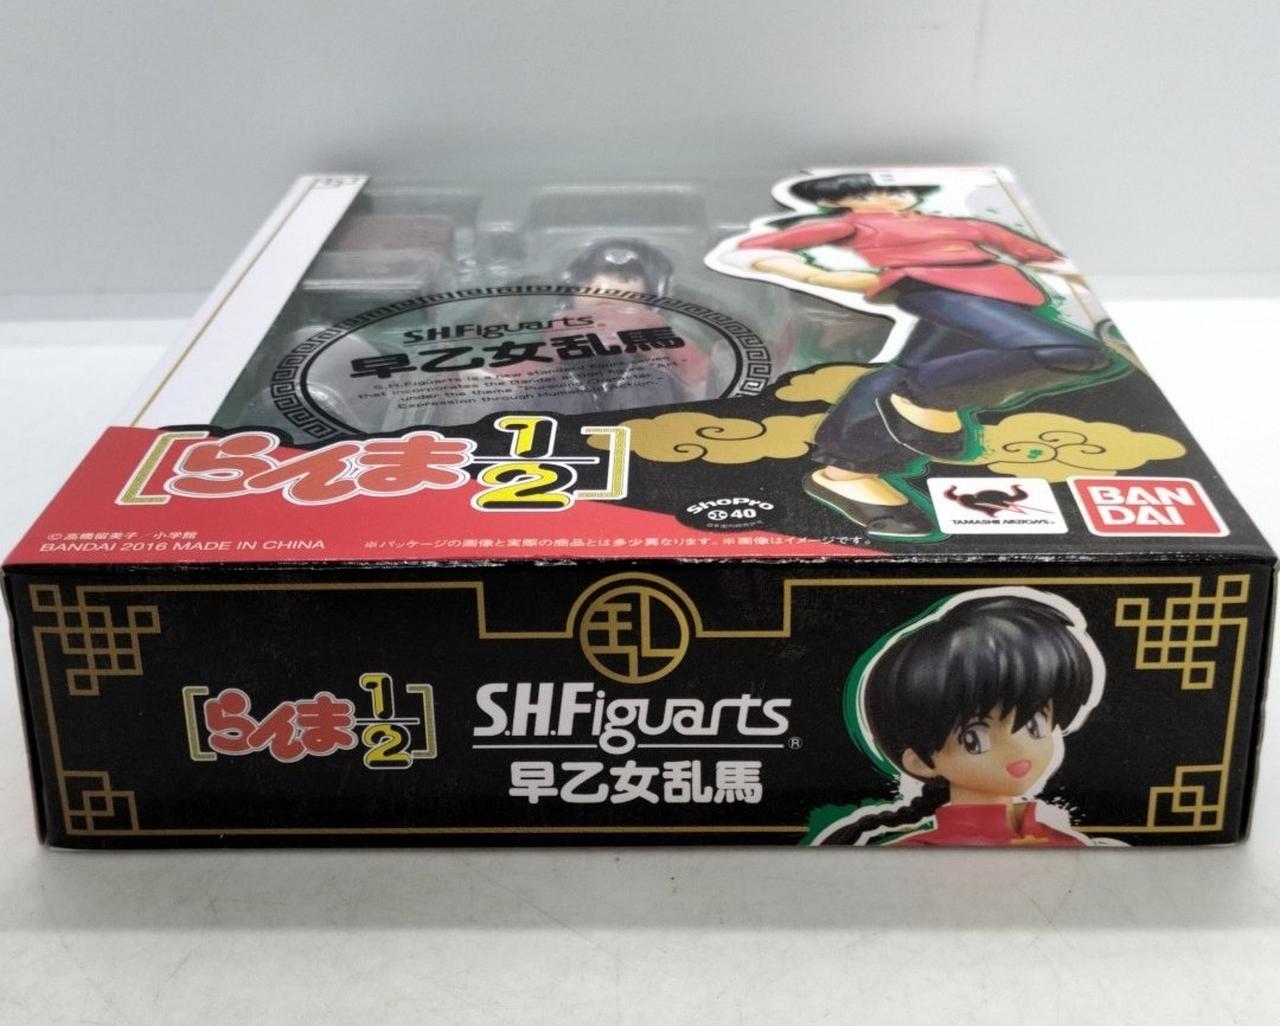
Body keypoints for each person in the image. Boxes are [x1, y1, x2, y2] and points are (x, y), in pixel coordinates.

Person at [731, 172, 1122, 537]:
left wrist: (1068, 271)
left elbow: (1020, 246)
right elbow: (757, 247)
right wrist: (809, 273)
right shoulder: (858, 225)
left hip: (1004, 292)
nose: (889, 197)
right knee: (1069, 351)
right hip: (937, 290)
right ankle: (923, 392)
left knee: (902, 371)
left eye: (892, 190)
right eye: (866, 194)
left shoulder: (954, 223)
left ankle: (845, 473)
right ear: (841, 203)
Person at [813, 589, 1107, 846]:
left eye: (1034, 724)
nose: (1019, 747)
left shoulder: (1067, 846)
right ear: (920, 761)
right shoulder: (915, 855)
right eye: (974, 738)